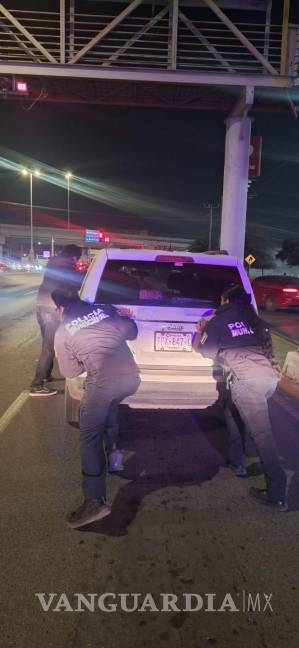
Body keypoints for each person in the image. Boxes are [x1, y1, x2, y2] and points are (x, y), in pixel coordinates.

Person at [193, 284, 287, 512]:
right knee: (232, 411)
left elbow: (204, 350)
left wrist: (199, 332)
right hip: (266, 379)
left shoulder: (217, 321)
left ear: (225, 301)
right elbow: (267, 349)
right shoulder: (251, 320)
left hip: (248, 383)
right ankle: (237, 462)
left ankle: (277, 495)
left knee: (262, 436)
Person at [52, 286, 140, 529]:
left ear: (60, 309)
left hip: (103, 383)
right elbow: (131, 332)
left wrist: (84, 359)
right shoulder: (105, 310)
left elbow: (69, 371)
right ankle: (114, 455)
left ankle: (94, 502)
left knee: (89, 437)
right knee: (109, 406)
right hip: (131, 379)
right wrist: (126, 318)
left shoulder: (62, 331)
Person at [29, 244, 82, 396]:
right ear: (74, 257)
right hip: (52, 309)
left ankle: (45, 375)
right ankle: (36, 385)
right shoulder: (68, 268)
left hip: (41, 306)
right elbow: (75, 287)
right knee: (49, 347)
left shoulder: (53, 263)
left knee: (47, 343)